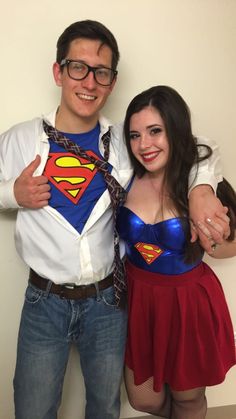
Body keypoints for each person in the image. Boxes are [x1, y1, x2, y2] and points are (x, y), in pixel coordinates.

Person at [0, 20, 231, 419]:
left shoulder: (124, 144)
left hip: (109, 300)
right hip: (44, 300)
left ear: (111, 82)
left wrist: (200, 189)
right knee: (33, 408)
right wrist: (11, 195)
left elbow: (193, 145)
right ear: (58, 72)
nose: (89, 82)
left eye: (101, 72)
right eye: (78, 67)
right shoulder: (19, 139)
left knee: (106, 407)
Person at [117, 85, 236, 419]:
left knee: (187, 398)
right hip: (139, 300)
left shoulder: (202, 183)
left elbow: (230, 246)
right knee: (145, 400)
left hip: (188, 302)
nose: (144, 145)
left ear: (175, 129)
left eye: (156, 131)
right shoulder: (125, 178)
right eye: (135, 135)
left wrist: (214, 238)